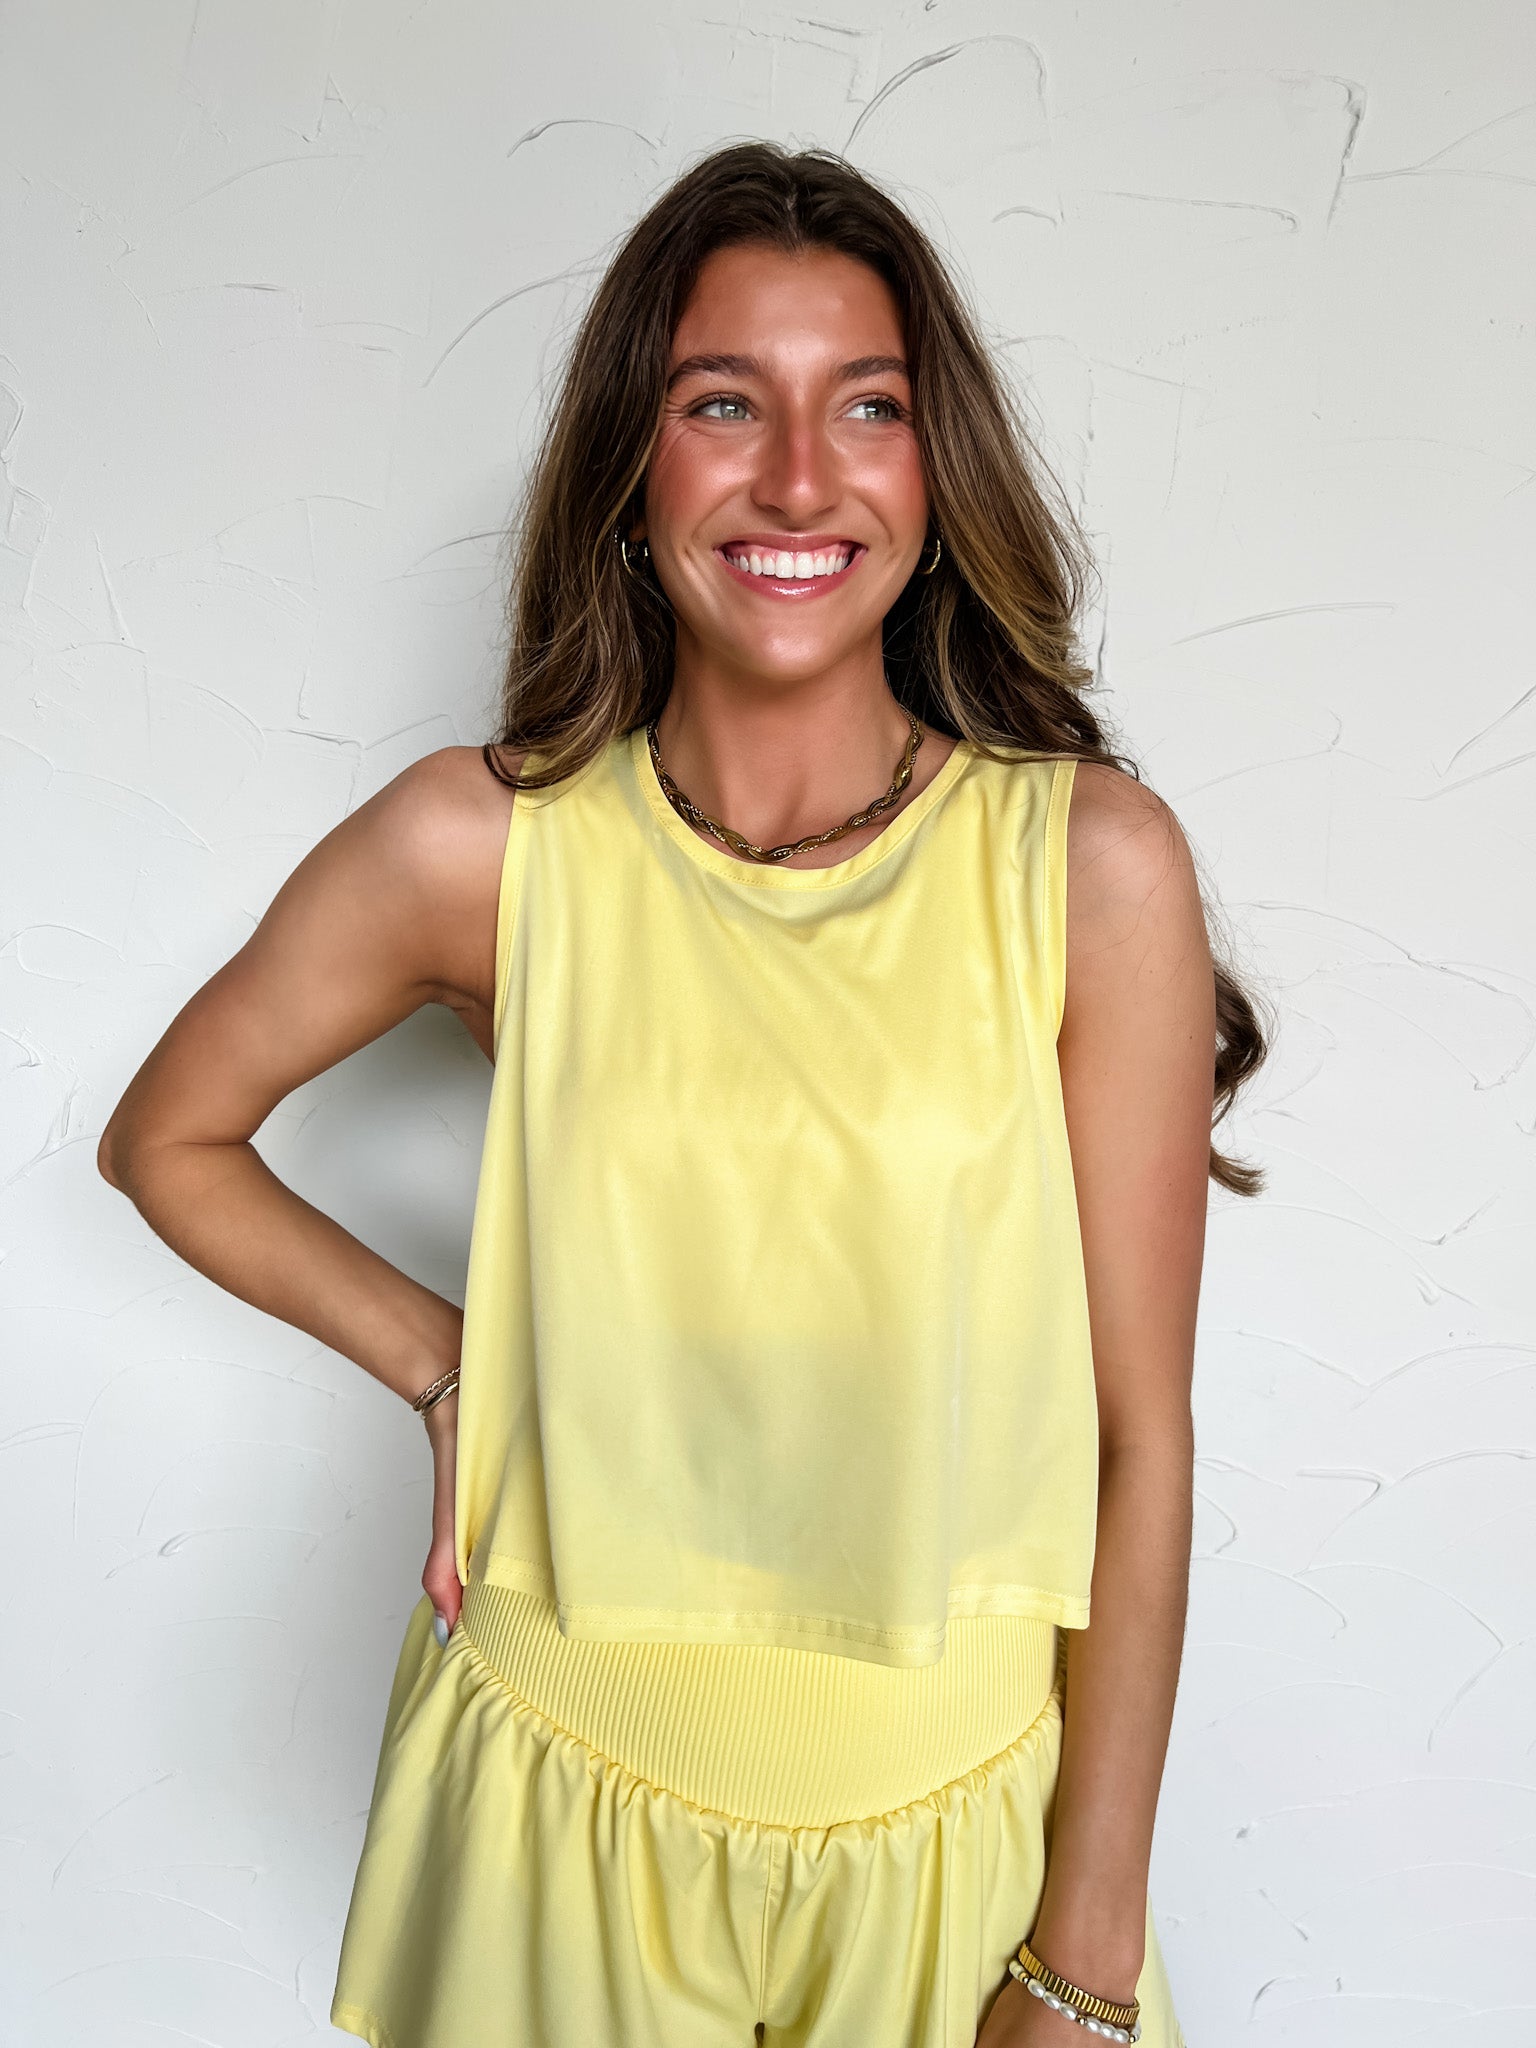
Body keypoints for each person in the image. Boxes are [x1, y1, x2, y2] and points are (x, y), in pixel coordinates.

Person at [99, 141, 1268, 2048]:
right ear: (630, 470)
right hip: (556, 1795)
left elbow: (1142, 1441)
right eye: (722, 402)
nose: (798, 477)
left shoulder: (1089, 868)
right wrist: (447, 1370)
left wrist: (1087, 1958)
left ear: (936, 474)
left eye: (867, 407)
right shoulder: (483, 848)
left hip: (949, 1842)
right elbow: (167, 1140)